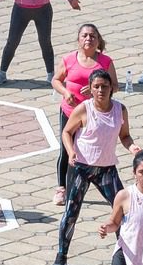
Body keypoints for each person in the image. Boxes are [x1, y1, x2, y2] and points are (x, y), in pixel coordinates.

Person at [55, 69, 133, 265]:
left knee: (124, 211)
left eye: (104, 86)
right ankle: (62, 255)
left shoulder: (120, 110)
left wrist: (131, 146)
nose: (100, 90)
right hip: (81, 168)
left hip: (107, 169)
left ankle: (124, 254)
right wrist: (71, 151)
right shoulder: (84, 109)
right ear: (90, 89)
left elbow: (125, 136)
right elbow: (66, 132)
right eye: (96, 86)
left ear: (111, 89)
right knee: (71, 212)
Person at [50, 22, 116, 205]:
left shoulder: (105, 62)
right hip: (70, 111)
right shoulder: (69, 59)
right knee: (66, 149)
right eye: (85, 36)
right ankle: (61, 188)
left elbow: (115, 86)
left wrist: (97, 90)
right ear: (78, 40)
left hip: (92, 114)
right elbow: (55, 80)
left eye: (92, 36)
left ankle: (92, 183)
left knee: (89, 148)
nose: (88, 39)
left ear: (98, 41)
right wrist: (65, 92)